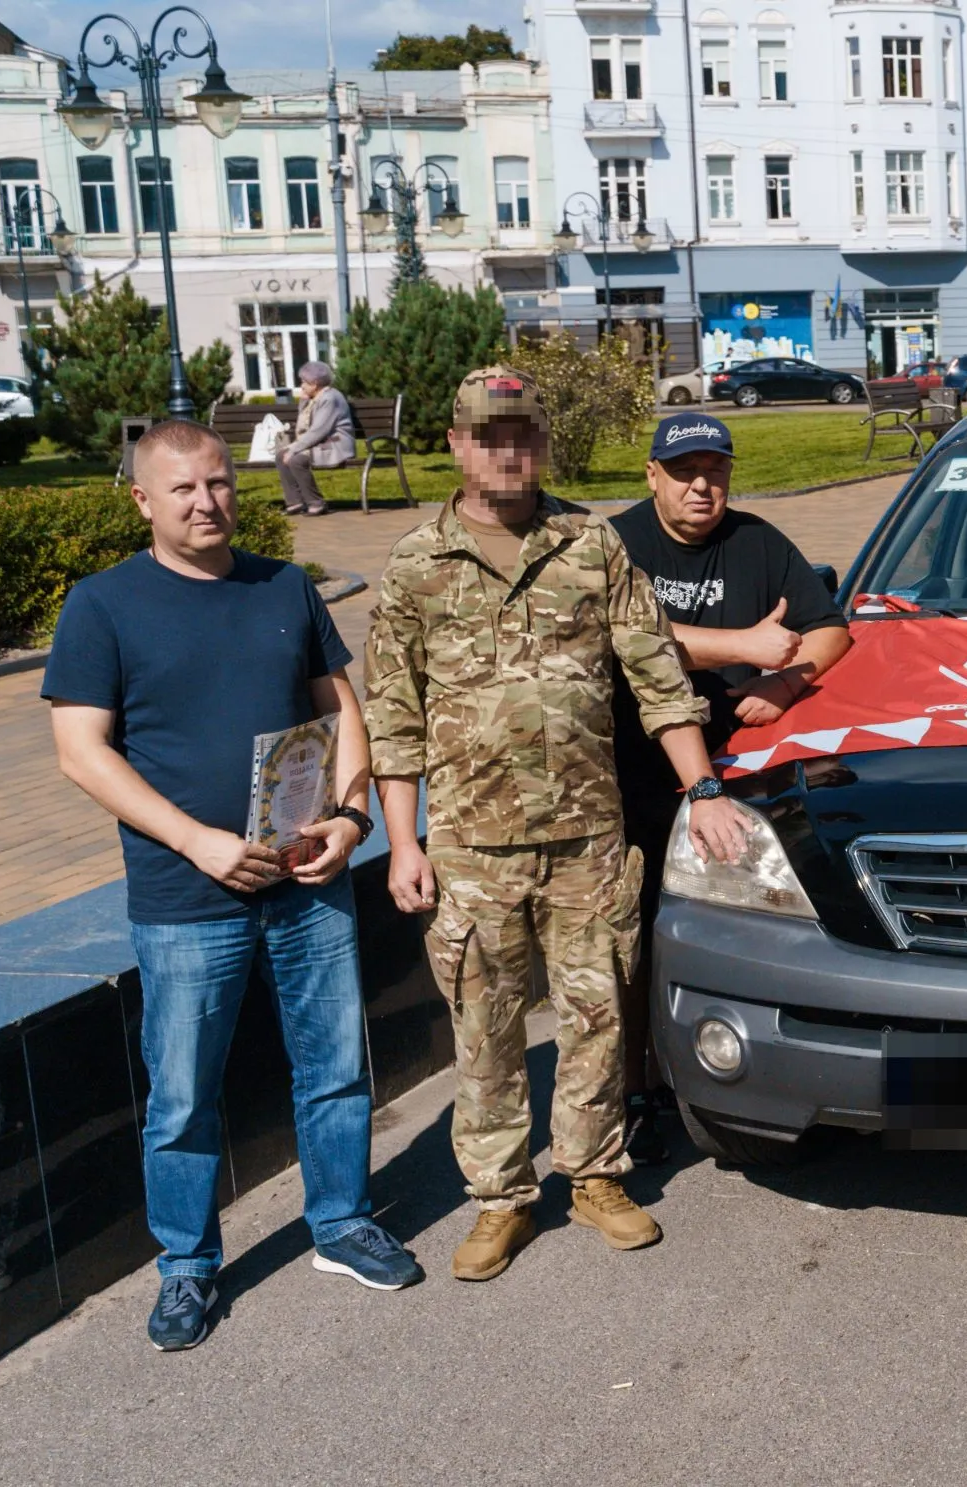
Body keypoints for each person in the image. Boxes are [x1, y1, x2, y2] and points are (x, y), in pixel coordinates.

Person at [364, 366, 747, 1282]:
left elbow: (657, 674)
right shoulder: (418, 563)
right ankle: (500, 1197)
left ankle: (596, 1174)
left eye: (525, 436)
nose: (510, 452)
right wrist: (404, 841)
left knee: (597, 1012)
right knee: (486, 1027)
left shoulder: (592, 545)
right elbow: (392, 710)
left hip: (587, 838)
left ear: (543, 445)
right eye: (490, 436)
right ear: (456, 444)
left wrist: (703, 789)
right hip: (469, 844)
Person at [45, 420, 420, 1352]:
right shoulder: (103, 606)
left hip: (307, 882)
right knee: (182, 1095)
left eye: (218, 483)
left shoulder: (283, 586)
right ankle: (186, 1267)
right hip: (187, 897)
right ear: (141, 499)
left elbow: (340, 708)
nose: (207, 502)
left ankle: (340, 1221)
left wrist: (349, 819)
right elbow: (80, 752)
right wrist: (196, 841)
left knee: (334, 1068)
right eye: (183, 490)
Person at [608, 412, 853, 1162]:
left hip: (739, 778)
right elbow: (621, 633)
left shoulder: (759, 542)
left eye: (714, 469)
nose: (700, 485)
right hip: (633, 773)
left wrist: (783, 678)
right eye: (684, 471)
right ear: (652, 475)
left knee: (726, 938)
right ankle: (631, 1092)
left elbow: (832, 630)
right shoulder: (616, 545)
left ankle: (729, 1072)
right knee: (629, 940)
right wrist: (740, 645)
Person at [277, 362, 353, 517]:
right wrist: (303, 402)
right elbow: (303, 426)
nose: (302, 386)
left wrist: (294, 449)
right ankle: (295, 501)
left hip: (334, 443)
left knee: (296, 459)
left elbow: (318, 431)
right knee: (281, 456)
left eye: (305, 382)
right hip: (320, 442)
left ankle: (316, 503)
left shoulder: (329, 398)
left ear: (316, 383)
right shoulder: (315, 397)